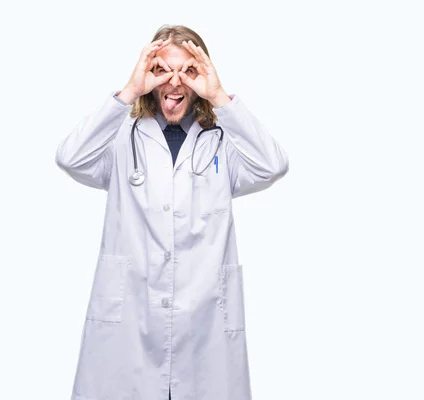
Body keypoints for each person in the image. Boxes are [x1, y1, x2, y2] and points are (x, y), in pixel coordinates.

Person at [55, 24, 289, 400]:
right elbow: (70, 157)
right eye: (162, 70)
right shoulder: (120, 138)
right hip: (130, 324)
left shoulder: (223, 143)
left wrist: (219, 96)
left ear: (203, 77)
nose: (175, 82)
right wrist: (128, 91)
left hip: (204, 323)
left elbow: (272, 165)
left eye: (189, 72)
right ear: (148, 75)